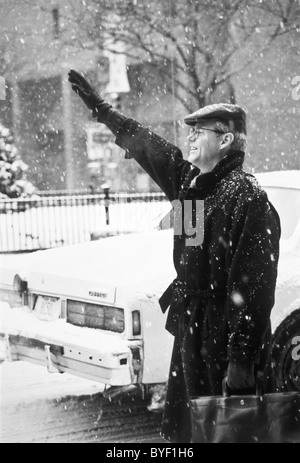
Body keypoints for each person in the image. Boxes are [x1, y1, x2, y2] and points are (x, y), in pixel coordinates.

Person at [68, 69, 281, 443]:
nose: (191, 136)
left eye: (201, 131)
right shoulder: (191, 184)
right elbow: (151, 149)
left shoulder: (247, 198)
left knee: (229, 430)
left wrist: (242, 356)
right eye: (191, 131)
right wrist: (104, 112)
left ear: (227, 139)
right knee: (190, 429)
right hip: (191, 326)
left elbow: (253, 287)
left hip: (223, 336)